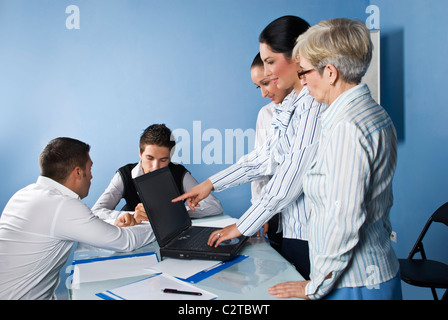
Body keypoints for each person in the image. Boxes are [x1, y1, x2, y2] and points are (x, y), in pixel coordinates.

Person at [173, 16, 327, 280]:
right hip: (295, 229)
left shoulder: (315, 104)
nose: (268, 74)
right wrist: (210, 183)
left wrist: (242, 226)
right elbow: (263, 158)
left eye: (270, 62)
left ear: (298, 54)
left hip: (314, 235)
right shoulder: (292, 104)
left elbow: (290, 178)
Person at [268, 18, 402, 300]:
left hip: (354, 285)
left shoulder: (347, 128)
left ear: (330, 72)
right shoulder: (374, 114)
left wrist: (314, 286)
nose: (301, 81)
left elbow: (342, 221)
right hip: (376, 272)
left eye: (304, 72)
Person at [0, 137, 155, 300]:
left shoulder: (26, 193)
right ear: (78, 172)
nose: (92, 176)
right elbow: (125, 241)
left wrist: (114, 225)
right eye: (90, 169)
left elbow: (82, 224)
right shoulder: (62, 205)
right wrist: (160, 222)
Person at [92, 124, 222, 223]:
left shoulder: (179, 174)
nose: (156, 167)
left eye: (163, 160)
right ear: (140, 153)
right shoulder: (124, 175)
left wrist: (174, 212)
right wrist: (131, 216)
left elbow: (214, 206)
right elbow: (96, 212)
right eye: (149, 158)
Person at [250, 52, 291, 252]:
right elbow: (260, 169)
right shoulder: (266, 114)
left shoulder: (313, 108)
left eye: (266, 83)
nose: (263, 93)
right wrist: (259, 213)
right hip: (275, 213)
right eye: (259, 86)